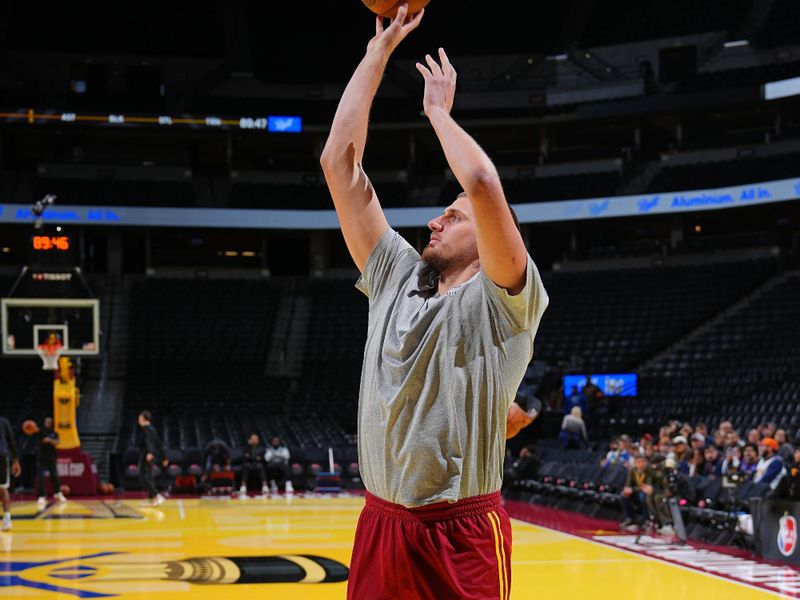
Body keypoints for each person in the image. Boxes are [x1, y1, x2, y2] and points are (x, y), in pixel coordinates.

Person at [320, 7, 548, 599]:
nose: (435, 219)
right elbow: (339, 167)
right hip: (380, 522)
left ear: (494, 237)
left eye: (453, 216)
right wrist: (378, 53)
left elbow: (482, 185)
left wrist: (438, 113)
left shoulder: (505, 301)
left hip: (458, 533)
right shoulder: (398, 274)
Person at [620, 455, 667, 533]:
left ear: (646, 462)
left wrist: (634, 489)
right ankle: (630, 518)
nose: (641, 464)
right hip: (636, 492)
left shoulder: (649, 470)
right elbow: (628, 485)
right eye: (638, 462)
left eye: (643, 461)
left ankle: (646, 520)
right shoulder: (632, 471)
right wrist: (627, 489)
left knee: (644, 496)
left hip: (647, 492)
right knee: (623, 495)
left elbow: (649, 485)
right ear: (635, 463)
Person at [36, 417, 67, 508]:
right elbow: (41, 439)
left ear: (51, 423)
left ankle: (58, 493)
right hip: (41, 457)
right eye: (46, 422)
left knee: (55, 476)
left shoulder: (55, 433)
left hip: (51, 457)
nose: (47, 423)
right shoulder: (40, 432)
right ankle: (42, 496)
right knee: (41, 477)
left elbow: (57, 442)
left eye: (49, 422)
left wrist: (50, 440)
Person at [137, 411, 167, 507]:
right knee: (149, 476)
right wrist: (164, 457)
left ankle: (158, 496)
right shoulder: (152, 429)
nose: (138, 420)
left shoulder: (145, 428)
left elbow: (147, 440)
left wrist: (149, 452)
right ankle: (152, 500)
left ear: (143, 418)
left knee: (143, 475)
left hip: (146, 454)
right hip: (151, 454)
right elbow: (158, 443)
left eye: (139, 417)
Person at [0, 416, 20, 531]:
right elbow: (11, 440)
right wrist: (16, 460)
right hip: (2, 456)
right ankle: (7, 520)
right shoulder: (3, 421)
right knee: (3, 488)